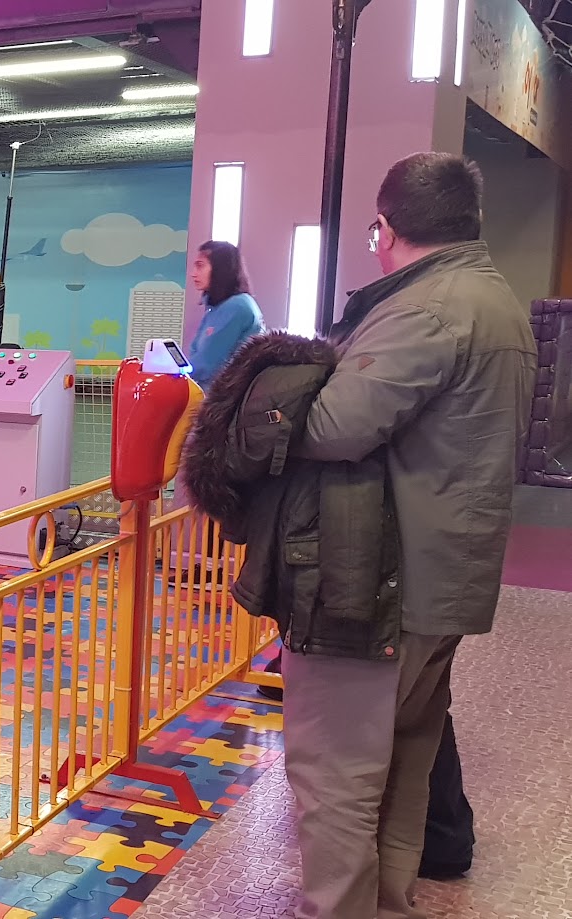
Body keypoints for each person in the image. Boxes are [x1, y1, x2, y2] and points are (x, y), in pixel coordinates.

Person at [284, 152, 536, 919]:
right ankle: (388, 903)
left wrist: (272, 392)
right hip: (447, 573)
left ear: (385, 228)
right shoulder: (493, 298)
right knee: (402, 760)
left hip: (381, 582)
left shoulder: (427, 308)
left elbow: (333, 425)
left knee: (336, 770)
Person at [186, 240, 267, 389]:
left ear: (220, 269)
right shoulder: (218, 307)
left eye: (200, 265)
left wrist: (172, 372)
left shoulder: (236, 306)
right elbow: (197, 355)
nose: (193, 273)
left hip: (222, 396)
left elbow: (207, 364)